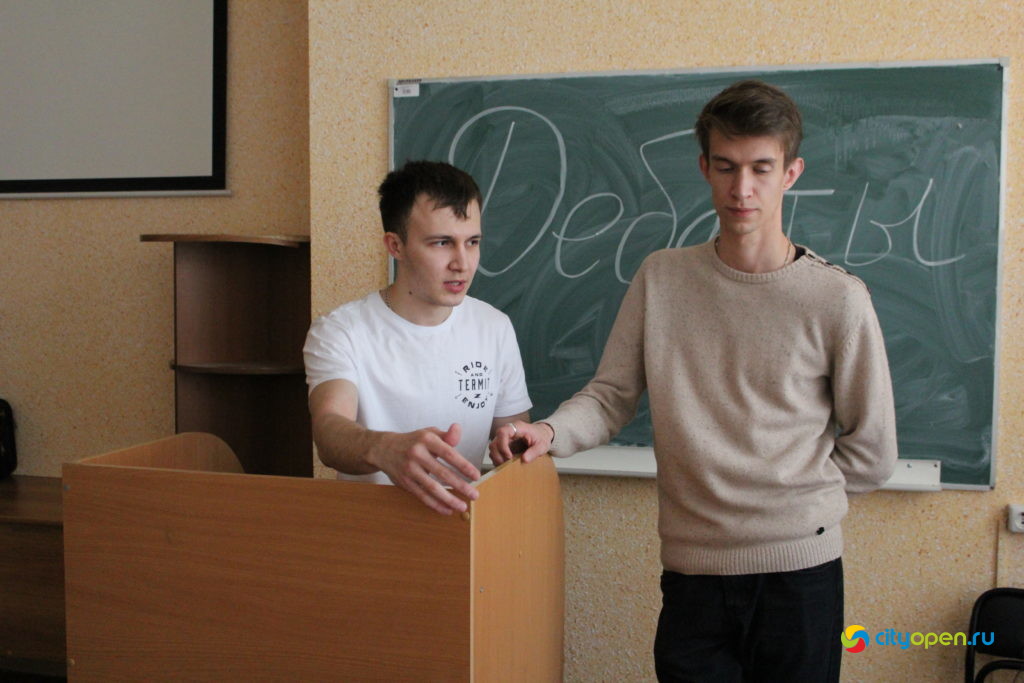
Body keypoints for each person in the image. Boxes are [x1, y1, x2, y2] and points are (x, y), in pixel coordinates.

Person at [490, 80, 898, 681]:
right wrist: (549, 431)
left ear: (791, 173)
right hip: (694, 576)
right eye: (726, 167)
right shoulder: (661, 279)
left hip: (801, 577)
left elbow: (874, 449)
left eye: (761, 168)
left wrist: (795, 506)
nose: (742, 188)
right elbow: (609, 397)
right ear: (704, 168)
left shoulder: (837, 299)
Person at [305, 160, 531, 516]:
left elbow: (515, 432)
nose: (462, 263)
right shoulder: (341, 330)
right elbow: (329, 432)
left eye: (472, 242)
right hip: (371, 529)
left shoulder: (494, 326)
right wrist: (383, 448)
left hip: (462, 527)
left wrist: (514, 440)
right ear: (395, 245)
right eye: (442, 243)